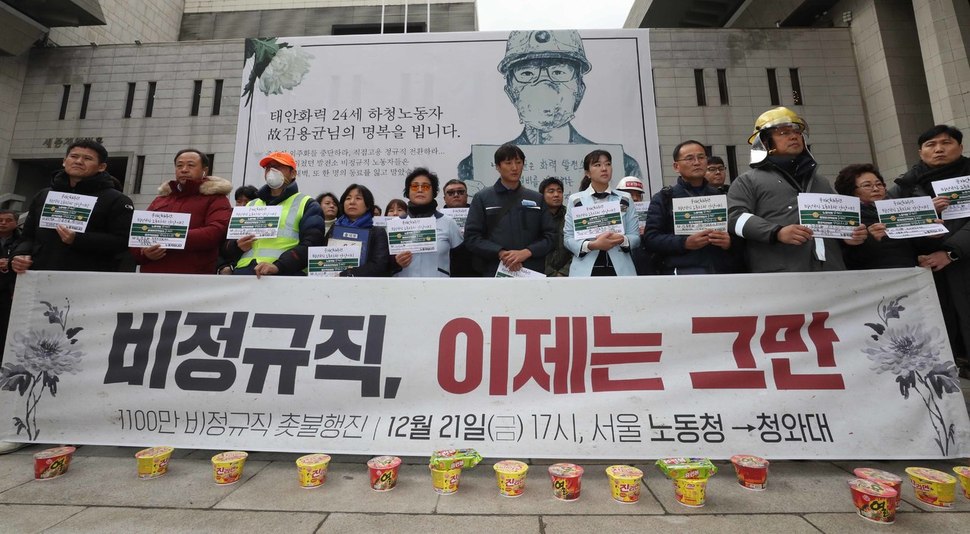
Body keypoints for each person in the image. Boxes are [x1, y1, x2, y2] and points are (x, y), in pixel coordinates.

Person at [457, 30, 642, 189]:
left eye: (559, 72)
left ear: (580, 89)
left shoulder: (624, 166)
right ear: (510, 92)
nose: (544, 85)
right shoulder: (472, 168)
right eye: (527, 74)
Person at [727, 107, 866, 272]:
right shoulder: (748, 181)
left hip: (831, 272)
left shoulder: (821, 182)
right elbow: (734, 218)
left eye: (797, 132)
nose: (794, 136)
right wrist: (776, 232)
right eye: (783, 133)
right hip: (780, 276)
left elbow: (835, 221)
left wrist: (849, 236)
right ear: (764, 141)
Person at [886, 124, 970, 373]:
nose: (939, 149)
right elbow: (891, 225)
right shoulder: (903, 186)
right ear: (921, 152)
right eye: (931, 145)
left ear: (960, 147)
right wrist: (924, 214)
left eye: (946, 143)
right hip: (926, 271)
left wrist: (951, 252)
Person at [12, 140, 134, 274]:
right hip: (39, 275)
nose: (79, 162)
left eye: (87, 158)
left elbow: (122, 241)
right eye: (74, 156)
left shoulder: (117, 200)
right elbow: (27, 236)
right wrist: (20, 253)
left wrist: (79, 239)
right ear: (64, 161)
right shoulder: (44, 195)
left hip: (86, 278)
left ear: (101, 167)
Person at [643, 141, 740, 275]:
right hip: (681, 272)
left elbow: (740, 234)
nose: (696, 162)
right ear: (676, 166)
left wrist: (730, 242)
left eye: (701, 157)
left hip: (720, 271)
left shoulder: (721, 196)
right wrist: (685, 242)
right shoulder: (664, 198)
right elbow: (651, 239)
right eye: (689, 158)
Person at [222, 151, 324, 277]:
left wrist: (278, 266)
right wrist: (236, 246)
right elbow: (226, 245)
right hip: (244, 274)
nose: (272, 171)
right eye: (268, 168)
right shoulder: (251, 205)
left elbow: (312, 244)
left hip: (285, 276)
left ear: (293, 173)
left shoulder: (307, 204)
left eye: (278, 167)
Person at [131, 149, 232, 274]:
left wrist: (171, 236)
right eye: (179, 165)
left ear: (204, 171)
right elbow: (138, 235)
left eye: (191, 165)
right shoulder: (161, 199)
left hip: (192, 277)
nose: (184, 169)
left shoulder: (216, 198)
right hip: (152, 275)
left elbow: (216, 232)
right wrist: (144, 253)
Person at [463, 143, 556, 276]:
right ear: (497, 166)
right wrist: (501, 253)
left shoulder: (537, 198)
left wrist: (527, 252)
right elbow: (472, 237)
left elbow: (551, 236)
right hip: (495, 269)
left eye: (518, 162)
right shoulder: (482, 198)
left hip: (531, 271)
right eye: (508, 163)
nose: (514, 168)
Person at [563, 150, 640, 276]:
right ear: (587, 173)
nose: (604, 169)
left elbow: (635, 237)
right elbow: (568, 239)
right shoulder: (576, 200)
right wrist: (592, 245)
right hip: (585, 270)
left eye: (608, 164)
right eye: (597, 165)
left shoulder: (625, 198)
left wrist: (621, 239)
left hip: (621, 269)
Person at [834, 164, 919, 270]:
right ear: (851, 190)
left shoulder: (901, 212)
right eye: (867, 185)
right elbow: (845, 259)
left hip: (911, 275)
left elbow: (919, 248)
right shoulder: (844, 219)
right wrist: (870, 239)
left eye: (879, 184)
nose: (875, 189)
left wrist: (931, 235)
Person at [392, 168, 463, 277]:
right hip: (403, 289)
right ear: (408, 191)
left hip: (439, 289)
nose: (420, 190)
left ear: (433, 191)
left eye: (425, 186)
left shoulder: (448, 223)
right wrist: (395, 263)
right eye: (415, 186)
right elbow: (382, 265)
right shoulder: (394, 224)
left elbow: (461, 261)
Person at [327, 184, 391, 277]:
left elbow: (379, 265)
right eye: (348, 198)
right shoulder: (334, 229)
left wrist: (347, 274)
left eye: (358, 198)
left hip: (365, 286)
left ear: (368, 205)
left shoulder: (377, 232)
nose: (352, 202)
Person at [441, 179, 476, 277]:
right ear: (444, 198)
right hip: (447, 270)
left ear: (467, 196)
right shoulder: (436, 219)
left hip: (474, 269)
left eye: (460, 192)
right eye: (451, 193)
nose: (456, 195)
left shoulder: (479, 215)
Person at [539, 177, 571, 276]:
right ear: (542, 195)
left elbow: (577, 247)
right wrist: (551, 273)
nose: (556, 195)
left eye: (559, 191)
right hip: (541, 274)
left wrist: (564, 272)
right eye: (551, 191)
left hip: (569, 275)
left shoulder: (570, 216)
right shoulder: (535, 218)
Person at [0, 210, 20, 360]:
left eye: (8, 220)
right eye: (1, 220)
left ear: (16, 223)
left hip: (9, 292)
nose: (3, 223)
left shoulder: (22, 241)